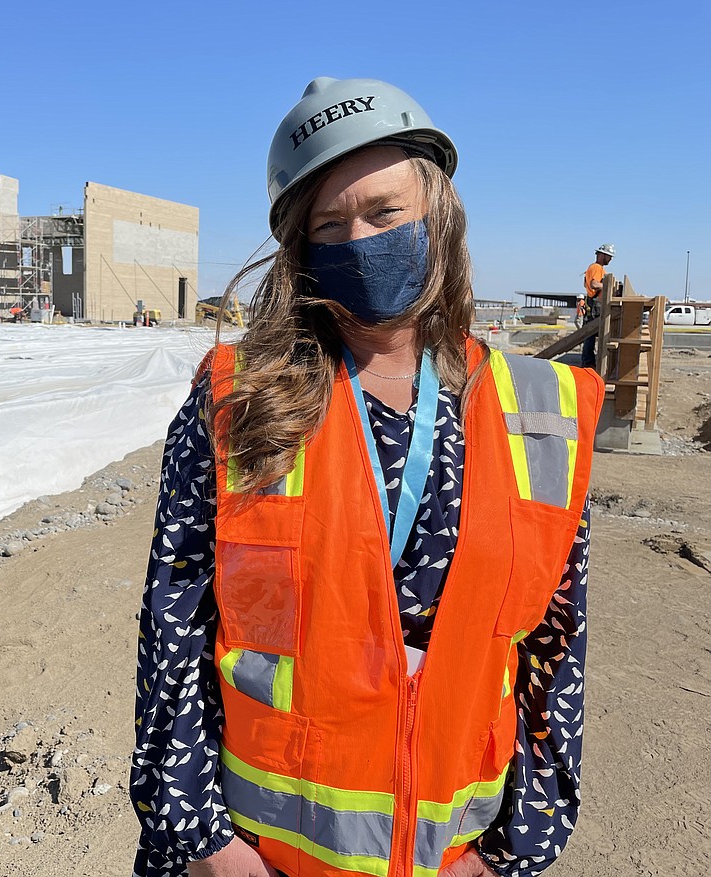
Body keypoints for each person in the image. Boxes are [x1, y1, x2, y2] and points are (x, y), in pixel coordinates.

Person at [132, 77, 606, 877]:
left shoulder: (538, 412)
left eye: (385, 213)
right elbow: (173, 631)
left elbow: (556, 653)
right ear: (301, 246)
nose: (360, 237)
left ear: (438, 212)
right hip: (261, 855)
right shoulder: (241, 404)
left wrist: (512, 855)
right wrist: (202, 841)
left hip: (451, 856)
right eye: (331, 222)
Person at [579, 244, 615, 369]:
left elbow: (586, 283)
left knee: (590, 335)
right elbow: (594, 284)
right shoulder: (596, 267)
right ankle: (588, 364)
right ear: (602, 255)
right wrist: (610, 287)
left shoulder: (596, 268)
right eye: (609, 257)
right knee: (591, 334)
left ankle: (589, 362)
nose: (610, 259)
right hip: (595, 305)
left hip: (594, 303)